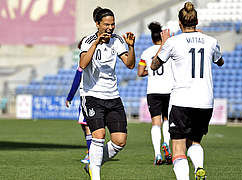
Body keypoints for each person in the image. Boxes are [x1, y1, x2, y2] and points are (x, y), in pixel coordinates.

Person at [151, 2, 224, 180]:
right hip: (205, 101)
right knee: (195, 142)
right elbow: (220, 62)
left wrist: (164, 43)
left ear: (179, 22)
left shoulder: (173, 42)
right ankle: (199, 167)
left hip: (182, 101)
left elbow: (154, 65)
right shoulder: (211, 41)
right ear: (197, 21)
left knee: (178, 149)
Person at [79, 6, 136, 180]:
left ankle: (93, 164)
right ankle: (95, 175)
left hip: (113, 96)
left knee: (120, 141)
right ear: (97, 24)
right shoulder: (88, 41)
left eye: (113, 24)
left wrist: (131, 47)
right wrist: (96, 43)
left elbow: (130, 64)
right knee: (99, 135)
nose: (110, 28)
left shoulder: (117, 40)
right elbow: (82, 64)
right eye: (106, 24)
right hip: (92, 95)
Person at [137, 22, 173, 165]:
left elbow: (140, 73)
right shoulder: (169, 49)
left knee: (155, 122)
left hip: (153, 91)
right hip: (169, 90)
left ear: (152, 38)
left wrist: (150, 72)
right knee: (167, 120)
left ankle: (157, 154)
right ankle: (166, 143)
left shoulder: (146, 53)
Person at [65, 37, 91, 164]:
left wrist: (69, 97)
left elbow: (77, 80)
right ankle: (91, 151)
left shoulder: (84, 61)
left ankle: (91, 154)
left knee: (87, 127)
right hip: (98, 96)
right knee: (86, 126)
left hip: (88, 97)